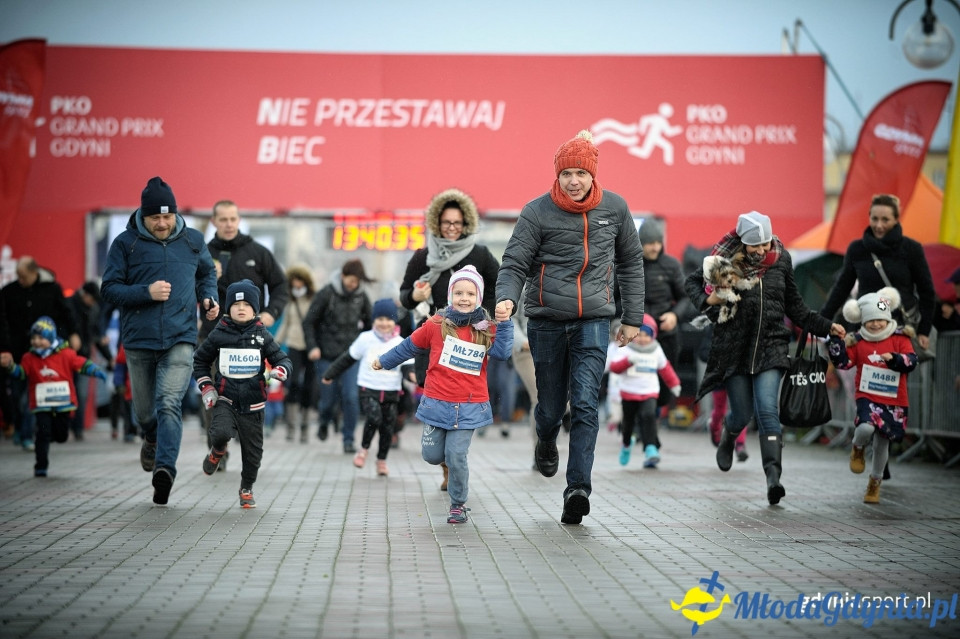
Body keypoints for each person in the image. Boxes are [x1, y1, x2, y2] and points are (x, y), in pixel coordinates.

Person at [495, 130, 645, 525]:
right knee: (549, 407)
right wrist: (505, 298)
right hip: (546, 320)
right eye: (567, 174)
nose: (574, 181)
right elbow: (513, 264)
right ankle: (545, 438)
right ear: (557, 175)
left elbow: (631, 262)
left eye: (581, 173)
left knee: (584, 404)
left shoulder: (615, 208)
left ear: (593, 175)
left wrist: (631, 318)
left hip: (594, 320)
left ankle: (577, 489)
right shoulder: (536, 212)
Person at [684, 211, 845, 505]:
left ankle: (773, 478)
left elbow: (796, 307)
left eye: (765, 243)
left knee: (768, 411)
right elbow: (692, 284)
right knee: (742, 414)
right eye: (754, 245)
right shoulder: (723, 260)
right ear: (742, 242)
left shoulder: (781, 259)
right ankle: (728, 438)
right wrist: (710, 300)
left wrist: (826, 326)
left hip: (772, 346)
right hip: (735, 349)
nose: (761, 251)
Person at [101, 176, 220, 506]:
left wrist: (209, 299)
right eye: (156, 217)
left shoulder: (194, 241)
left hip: (181, 337)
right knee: (144, 413)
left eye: (168, 216)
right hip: (139, 340)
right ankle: (150, 438)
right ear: (144, 214)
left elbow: (206, 274)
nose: (163, 223)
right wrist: (145, 293)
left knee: (169, 403)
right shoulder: (126, 244)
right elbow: (108, 289)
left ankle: (164, 471)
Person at [375, 266, 513, 524]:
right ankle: (441, 457)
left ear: (478, 298)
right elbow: (408, 346)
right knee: (432, 456)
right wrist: (384, 361)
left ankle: (458, 504)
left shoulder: (484, 328)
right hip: (437, 404)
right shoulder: (435, 324)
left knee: (456, 455)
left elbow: (503, 353)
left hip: (470, 406)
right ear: (450, 295)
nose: (464, 298)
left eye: (470, 294)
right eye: (458, 292)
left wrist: (504, 324)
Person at [399, 187, 500, 485]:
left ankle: (452, 462)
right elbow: (404, 296)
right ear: (436, 224)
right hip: (432, 334)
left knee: (459, 392)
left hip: (468, 340)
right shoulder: (423, 256)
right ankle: (443, 457)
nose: (452, 229)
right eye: (446, 223)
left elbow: (498, 287)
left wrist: (487, 315)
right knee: (429, 386)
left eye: (457, 223)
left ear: (466, 223)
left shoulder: (479, 254)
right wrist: (415, 294)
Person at [198, 200, 289, 461]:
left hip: (251, 339)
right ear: (214, 221)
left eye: (233, 219)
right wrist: (205, 286)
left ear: (239, 221)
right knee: (214, 393)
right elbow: (188, 288)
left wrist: (272, 312)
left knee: (250, 392)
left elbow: (280, 285)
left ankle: (250, 451)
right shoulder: (203, 253)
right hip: (215, 334)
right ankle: (218, 447)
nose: (228, 224)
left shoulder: (257, 252)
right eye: (223, 219)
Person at [193, 280, 292, 509]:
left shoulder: (262, 334)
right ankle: (218, 450)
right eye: (236, 303)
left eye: (247, 304)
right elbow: (200, 360)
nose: (241, 308)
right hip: (225, 398)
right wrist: (206, 386)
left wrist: (280, 370)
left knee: (253, 454)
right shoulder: (219, 333)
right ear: (228, 307)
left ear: (255, 309)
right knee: (219, 433)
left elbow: (283, 359)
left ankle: (246, 488)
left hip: (253, 404)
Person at [826, 287, 917, 504]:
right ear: (862, 321)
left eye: (880, 320)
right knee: (865, 427)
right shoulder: (858, 341)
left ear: (887, 318)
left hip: (894, 399)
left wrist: (894, 358)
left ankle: (875, 482)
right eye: (870, 320)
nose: (876, 324)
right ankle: (857, 447)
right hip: (867, 396)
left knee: (882, 444)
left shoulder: (900, 338)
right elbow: (844, 363)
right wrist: (836, 342)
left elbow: (912, 361)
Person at [821, 193, 936, 356]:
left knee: (896, 377)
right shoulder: (857, 249)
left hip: (900, 329)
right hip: (866, 329)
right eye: (874, 219)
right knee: (864, 376)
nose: (879, 225)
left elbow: (927, 291)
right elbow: (841, 288)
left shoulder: (912, 249)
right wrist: (822, 321)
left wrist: (924, 329)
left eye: (885, 220)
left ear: (896, 219)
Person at [0, 316, 106, 477]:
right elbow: (21, 373)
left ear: (51, 337)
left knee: (62, 435)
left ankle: (52, 437)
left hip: (63, 404)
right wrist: (10, 367)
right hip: (41, 405)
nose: (36, 341)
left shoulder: (66, 354)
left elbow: (81, 364)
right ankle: (40, 466)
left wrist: (96, 371)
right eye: (34, 338)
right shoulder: (29, 358)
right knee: (43, 434)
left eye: (41, 338)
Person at [0, 256, 79, 451]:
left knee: (30, 398)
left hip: (44, 356)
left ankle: (29, 435)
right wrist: (5, 349)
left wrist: (74, 333)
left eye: (24, 276)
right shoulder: (8, 292)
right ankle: (19, 427)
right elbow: (2, 323)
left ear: (35, 273)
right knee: (17, 396)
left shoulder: (51, 289)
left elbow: (66, 313)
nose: (20, 280)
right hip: (18, 353)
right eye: (18, 276)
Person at [322, 298, 408, 476]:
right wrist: (330, 374)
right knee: (374, 418)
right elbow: (348, 358)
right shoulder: (365, 338)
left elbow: (409, 367)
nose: (384, 323)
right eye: (380, 319)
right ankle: (363, 449)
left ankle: (381, 461)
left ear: (395, 321)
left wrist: (415, 377)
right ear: (373, 320)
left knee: (387, 427)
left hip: (391, 390)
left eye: (388, 319)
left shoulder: (401, 342)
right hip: (368, 388)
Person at [303, 259, 373, 453]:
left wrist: (365, 346)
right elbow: (309, 322)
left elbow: (371, 325)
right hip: (326, 355)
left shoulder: (361, 297)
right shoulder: (326, 294)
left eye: (357, 281)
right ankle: (324, 421)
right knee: (328, 399)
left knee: (350, 397)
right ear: (343, 276)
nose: (353, 284)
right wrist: (312, 347)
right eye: (351, 280)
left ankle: (348, 439)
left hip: (350, 357)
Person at [635, 218, 695, 420]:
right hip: (637, 335)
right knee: (636, 381)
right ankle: (639, 423)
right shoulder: (629, 265)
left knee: (665, 384)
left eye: (657, 243)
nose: (654, 247)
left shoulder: (671, 265)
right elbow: (616, 299)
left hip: (666, 333)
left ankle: (653, 416)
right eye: (650, 243)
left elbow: (686, 296)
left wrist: (674, 315)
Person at [609, 314, 681, 468]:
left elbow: (665, 367)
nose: (642, 339)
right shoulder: (626, 347)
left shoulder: (655, 349)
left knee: (648, 416)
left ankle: (650, 448)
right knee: (628, 423)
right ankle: (626, 444)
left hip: (649, 391)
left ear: (653, 335)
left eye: (646, 335)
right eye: (638, 335)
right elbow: (614, 368)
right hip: (629, 392)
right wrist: (627, 362)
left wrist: (674, 384)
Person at [275, 265, 320, 443]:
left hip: (310, 346)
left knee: (309, 386)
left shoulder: (314, 300)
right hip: (293, 343)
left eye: (300, 281)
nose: (297, 284)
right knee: (292, 384)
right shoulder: (290, 301)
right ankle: (291, 426)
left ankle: (305, 427)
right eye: (294, 281)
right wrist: (276, 342)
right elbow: (285, 323)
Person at [66, 280, 114, 440]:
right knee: (64, 392)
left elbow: (96, 337)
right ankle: (62, 428)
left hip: (82, 359)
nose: (93, 303)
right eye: (92, 299)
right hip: (65, 358)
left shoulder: (93, 310)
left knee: (81, 394)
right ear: (84, 295)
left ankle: (77, 429)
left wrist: (109, 357)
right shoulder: (68, 305)